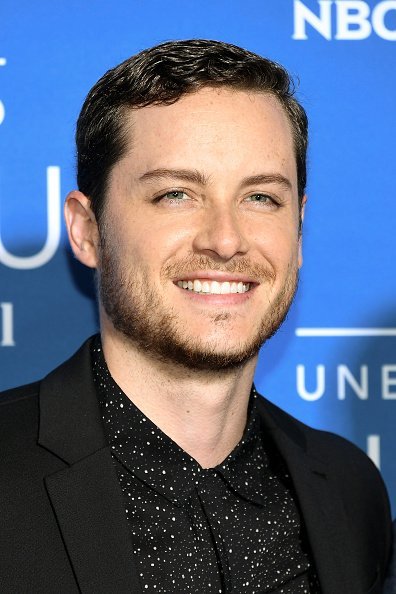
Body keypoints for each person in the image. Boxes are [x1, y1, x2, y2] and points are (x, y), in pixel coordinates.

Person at [0, 39, 391, 594]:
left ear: (299, 229)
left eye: (261, 198)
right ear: (87, 229)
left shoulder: (351, 493)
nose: (226, 240)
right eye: (176, 194)